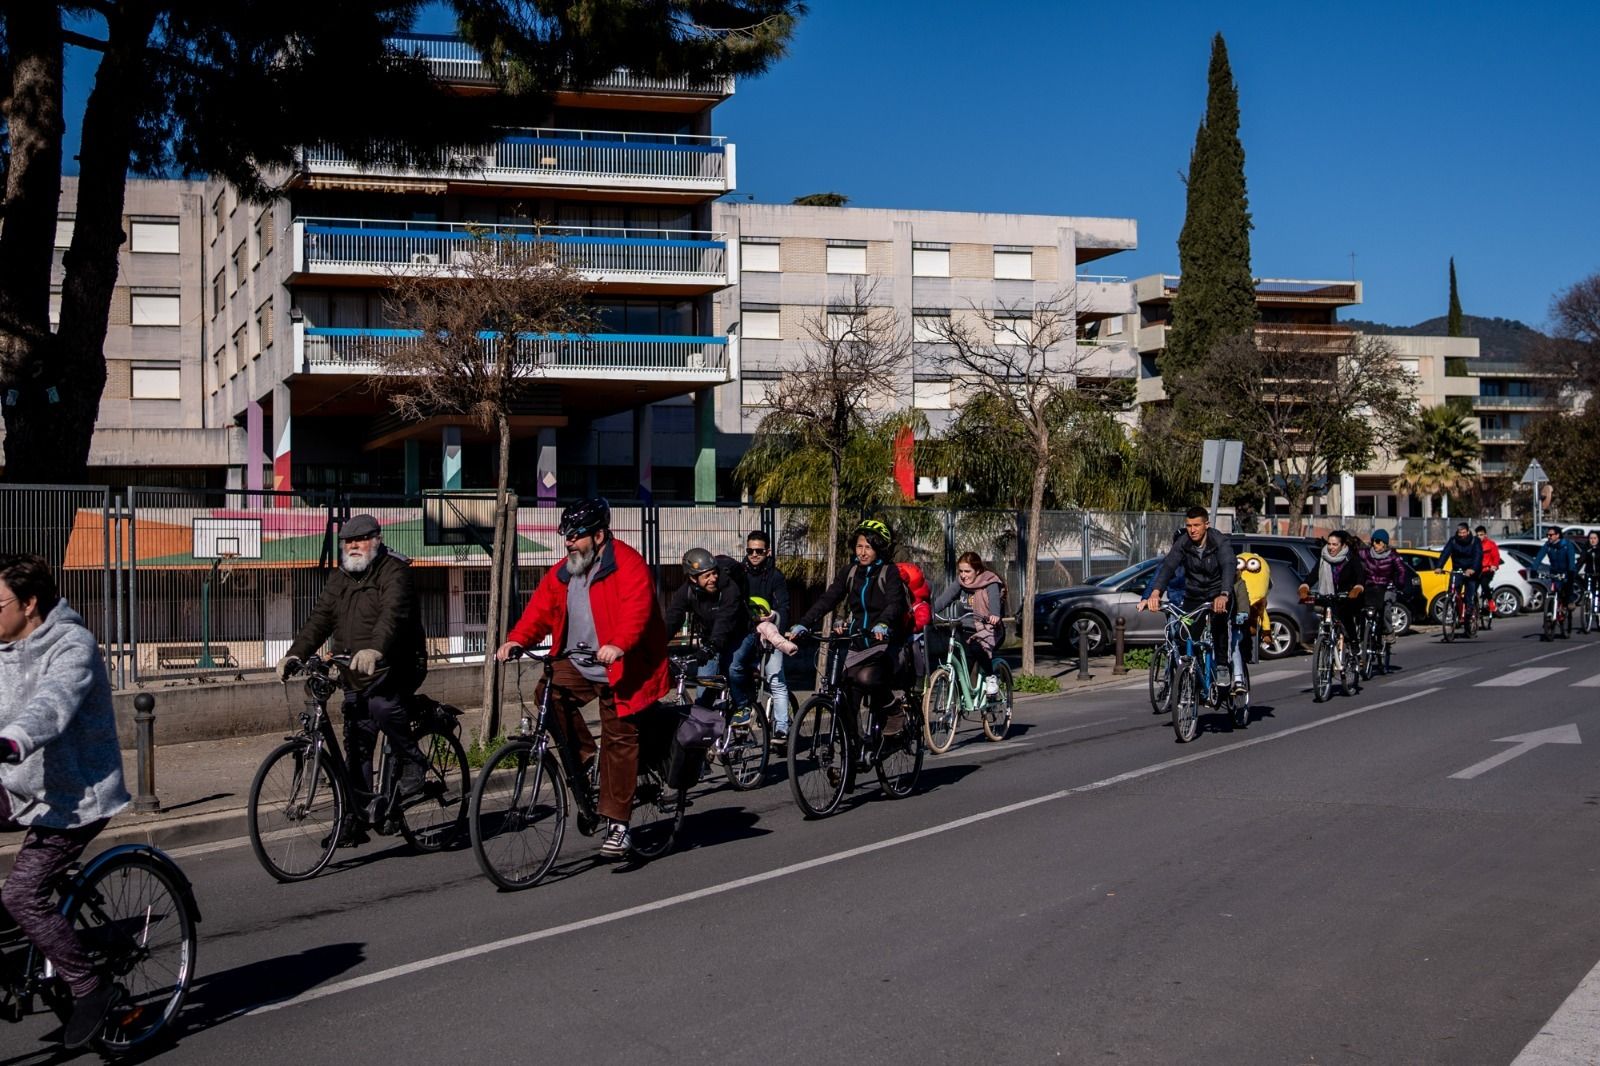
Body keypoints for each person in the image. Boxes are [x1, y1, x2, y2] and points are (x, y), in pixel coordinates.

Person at [0, 554, 132, 1048]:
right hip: (18, 785)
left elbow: (51, 703)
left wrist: (11, 740)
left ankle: (90, 988)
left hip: (75, 796)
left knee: (21, 895)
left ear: (29, 604)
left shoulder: (72, 644)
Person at [496, 498, 669, 859]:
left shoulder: (628, 563)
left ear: (600, 535)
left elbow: (639, 608)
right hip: (578, 663)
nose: (568, 543)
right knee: (548, 692)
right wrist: (517, 639)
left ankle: (619, 826)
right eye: (566, 536)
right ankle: (589, 759)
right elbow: (540, 610)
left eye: (575, 536)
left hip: (622, 668)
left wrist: (618, 644)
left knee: (620, 739)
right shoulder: (567, 571)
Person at [278, 514, 430, 846]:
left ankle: (413, 762)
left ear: (376, 539)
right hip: (354, 671)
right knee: (356, 744)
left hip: (397, 665)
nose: (353, 546)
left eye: (359, 540)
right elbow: (319, 618)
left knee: (381, 705)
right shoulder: (340, 578)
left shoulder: (395, 572)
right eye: (347, 541)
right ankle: (354, 819)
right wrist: (295, 654)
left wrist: (375, 649)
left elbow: (393, 616)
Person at [787, 519, 909, 748]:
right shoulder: (850, 572)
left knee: (866, 678)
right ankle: (855, 747)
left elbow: (895, 604)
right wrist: (803, 623)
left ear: (879, 548)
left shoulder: (888, 572)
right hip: (858, 641)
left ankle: (894, 710)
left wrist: (883, 624)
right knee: (846, 690)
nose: (862, 552)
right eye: (859, 546)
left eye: (868, 547)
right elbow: (828, 599)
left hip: (885, 642)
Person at [1143, 506, 1239, 692]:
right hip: (1194, 595)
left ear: (1206, 525)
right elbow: (1169, 566)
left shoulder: (1219, 541)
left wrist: (1224, 594)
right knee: (1186, 634)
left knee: (1219, 625)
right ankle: (1196, 671)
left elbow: (1229, 565)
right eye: (1189, 525)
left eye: (1196, 525)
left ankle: (1221, 666)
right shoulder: (1184, 542)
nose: (1192, 530)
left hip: (1218, 594)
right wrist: (1156, 592)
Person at [664, 547, 751, 713]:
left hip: (739, 636)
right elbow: (672, 619)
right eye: (707, 576)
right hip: (710, 639)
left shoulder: (729, 588)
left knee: (732, 668)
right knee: (703, 692)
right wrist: (657, 645)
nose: (713, 578)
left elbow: (724, 621)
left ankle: (744, 707)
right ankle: (706, 732)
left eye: (714, 573)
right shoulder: (686, 592)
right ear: (693, 578)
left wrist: (711, 647)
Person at [731, 530, 792, 739]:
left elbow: (784, 607)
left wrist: (773, 617)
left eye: (759, 551)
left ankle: (782, 728)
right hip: (745, 634)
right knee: (737, 673)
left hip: (771, 633)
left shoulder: (775, 576)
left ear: (768, 551)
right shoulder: (738, 573)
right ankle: (741, 720)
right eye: (750, 550)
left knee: (776, 679)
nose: (754, 555)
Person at [931, 552, 1007, 696]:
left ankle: (991, 677)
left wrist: (995, 615)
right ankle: (958, 701)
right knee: (957, 657)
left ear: (977, 571)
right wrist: (929, 613)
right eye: (961, 571)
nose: (963, 575)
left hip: (988, 629)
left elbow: (995, 602)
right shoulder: (960, 583)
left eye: (967, 571)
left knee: (977, 647)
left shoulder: (990, 582)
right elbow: (943, 600)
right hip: (965, 630)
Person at [1301, 529, 1367, 647]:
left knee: (1346, 617)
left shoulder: (1351, 558)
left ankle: (1354, 644)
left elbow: (1360, 576)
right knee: (1324, 615)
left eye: (1335, 544)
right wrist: (1305, 586)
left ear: (1343, 545)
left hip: (1347, 596)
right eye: (1329, 544)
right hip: (1329, 595)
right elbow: (1313, 575)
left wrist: (1357, 588)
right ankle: (1326, 642)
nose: (1331, 547)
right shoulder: (1324, 557)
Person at [1359, 529, 1405, 646]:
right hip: (1370, 587)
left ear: (1385, 543)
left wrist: (1399, 584)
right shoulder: (1366, 553)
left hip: (1387, 587)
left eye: (1378, 541)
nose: (1375, 544)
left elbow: (1401, 571)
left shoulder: (1393, 556)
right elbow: (1353, 556)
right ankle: (1361, 636)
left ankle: (1389, 631)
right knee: (1360, 608)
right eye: (1373, 541)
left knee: (1385, 608)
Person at [1436, 522, 1484, 616]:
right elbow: (1445, 553)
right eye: (1460, 533)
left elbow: (1478, 556)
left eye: (1464, 532)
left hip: (1471, 570)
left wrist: (1473, 569)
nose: (1462, 535)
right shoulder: (1453, 540)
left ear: (1468, 532)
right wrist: (1439, 566)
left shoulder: (1475, 541)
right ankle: (1456, 612)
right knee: (1453, 591)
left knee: (1468, 594)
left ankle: (1469, 612)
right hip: (1458, 569)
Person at [1531, 525, 1579, 614]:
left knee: (1567, 588)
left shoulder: (1567, 545)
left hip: (1567, 571)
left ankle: (1569, 601)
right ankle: (1549, 615)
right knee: (1553, 589)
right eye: (1548, 535)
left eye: (1551, 535)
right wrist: (1534, 569)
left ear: (1557, 535)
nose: (1548, 537)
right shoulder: (1548, 545)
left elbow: (1571, 559)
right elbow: (1539, 557)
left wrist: (1571, 570)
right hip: (1554, 571)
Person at [1475, 525, 1503, 619]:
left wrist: (1494, 565)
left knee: (1484, 584)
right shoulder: (1474, 545)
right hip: (1477, 570)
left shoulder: (1491, 544)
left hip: (1488, 570)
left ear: (1485, 535)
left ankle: (1490, 601)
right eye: (1478, 535)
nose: (1480, 537)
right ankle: (1472, 607)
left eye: (1481, 535)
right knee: (1472, 587)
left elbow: (1496, 556)